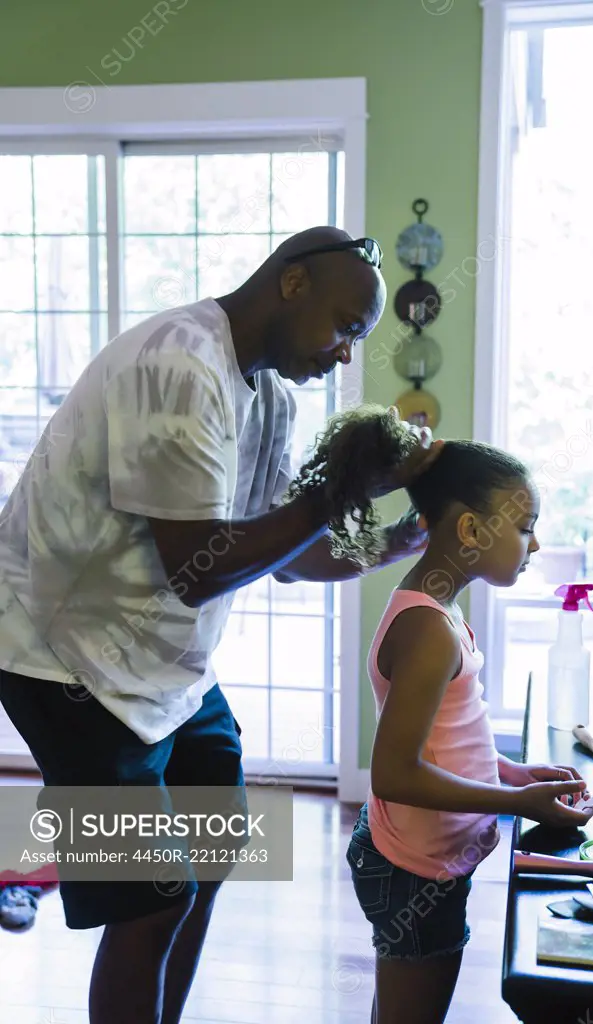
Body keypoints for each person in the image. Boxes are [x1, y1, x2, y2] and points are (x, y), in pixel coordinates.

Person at [0, 228, 442, 1024]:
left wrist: (399, 538)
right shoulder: (177, 364)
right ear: (292, 284)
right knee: (151, 898)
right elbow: (200, 567)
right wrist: (340, 489)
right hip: (57, 657)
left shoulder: (270, 396)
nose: (348, 355)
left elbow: (282, 553)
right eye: (346, 326)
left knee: (214, 846)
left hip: (161, 663)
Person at [285, 406, 593, 1024]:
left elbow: (447, 741)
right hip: (413, 876)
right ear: (473, 532)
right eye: (525, 526)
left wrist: (514, 773)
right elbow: (395, 774)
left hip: (422, 861)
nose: (535, 544)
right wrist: (518, 808)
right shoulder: (428, 629)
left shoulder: (441, 610)